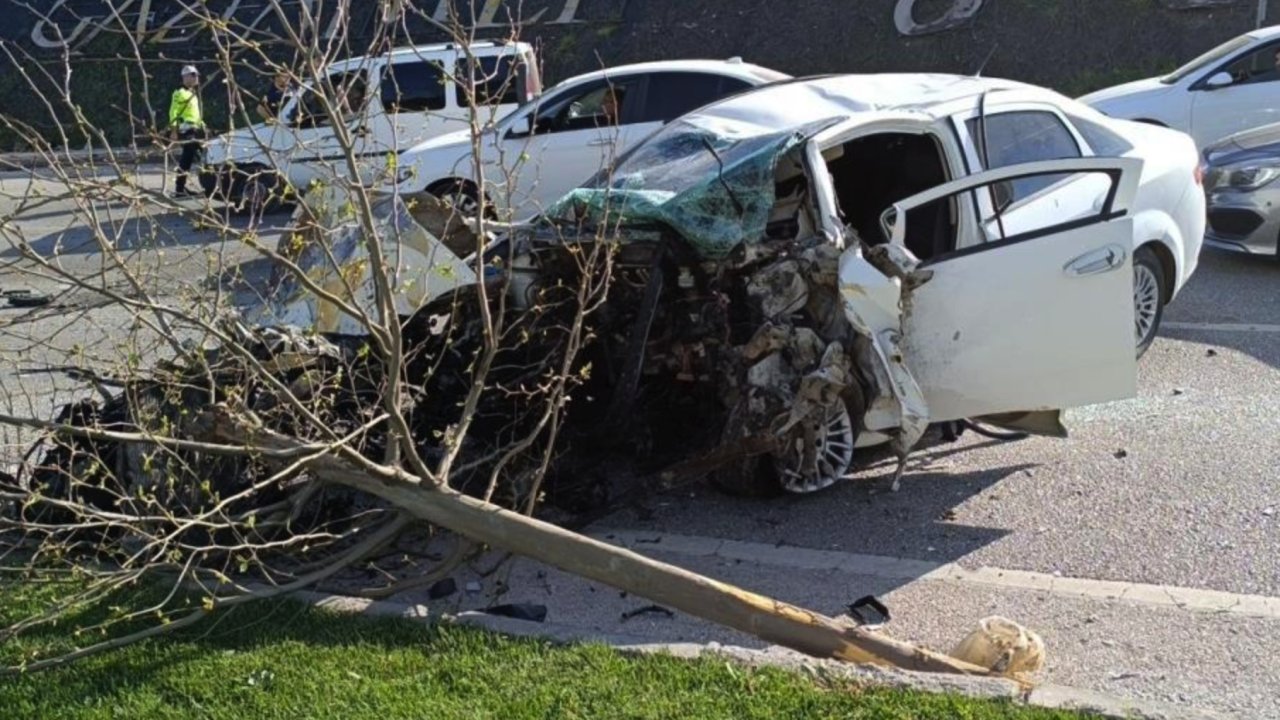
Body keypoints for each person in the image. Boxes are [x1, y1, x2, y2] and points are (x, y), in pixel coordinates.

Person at [168, 65, 206, 197]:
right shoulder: (179, 93)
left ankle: (180, 189)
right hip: (186, 130)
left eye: (197, 75)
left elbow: (195, 114)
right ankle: (180, 188)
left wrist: (204, 126)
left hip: (196, 129)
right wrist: (174, 131)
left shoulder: (192, 94)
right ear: (185, 77)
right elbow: (173, 112)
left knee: (190, 158)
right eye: (193, 75)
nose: (196, 78)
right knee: (195, 157)